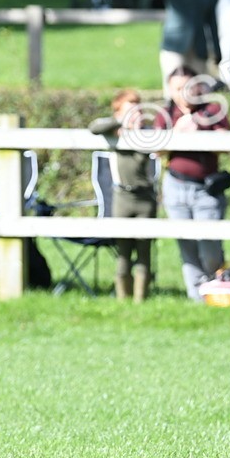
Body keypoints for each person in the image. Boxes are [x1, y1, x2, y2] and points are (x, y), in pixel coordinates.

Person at [156, 66, 230, 301]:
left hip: (206, 189)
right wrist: (177, 133)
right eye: (178, 88)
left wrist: (201, 132)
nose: (183, 93)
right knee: (186, 246)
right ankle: (196, 298)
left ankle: (217, 291)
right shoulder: (165, 113)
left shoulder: (211, 110)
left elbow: (229, 143)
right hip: (176, 186)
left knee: (209, 247)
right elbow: (155, 149)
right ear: (170, 89)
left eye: (188, 87)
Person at [90, 89, 159, 302]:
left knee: (144, 250)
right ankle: (122, 298)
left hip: (145, 199)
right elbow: (94, 127)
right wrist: (120, 124)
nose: (134, 116)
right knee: (123, 251)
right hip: (122, 198)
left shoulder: (148, 133)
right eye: (129, 111)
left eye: (137, 111)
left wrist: (139, 130)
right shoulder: (113, 133)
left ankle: (141, 298)